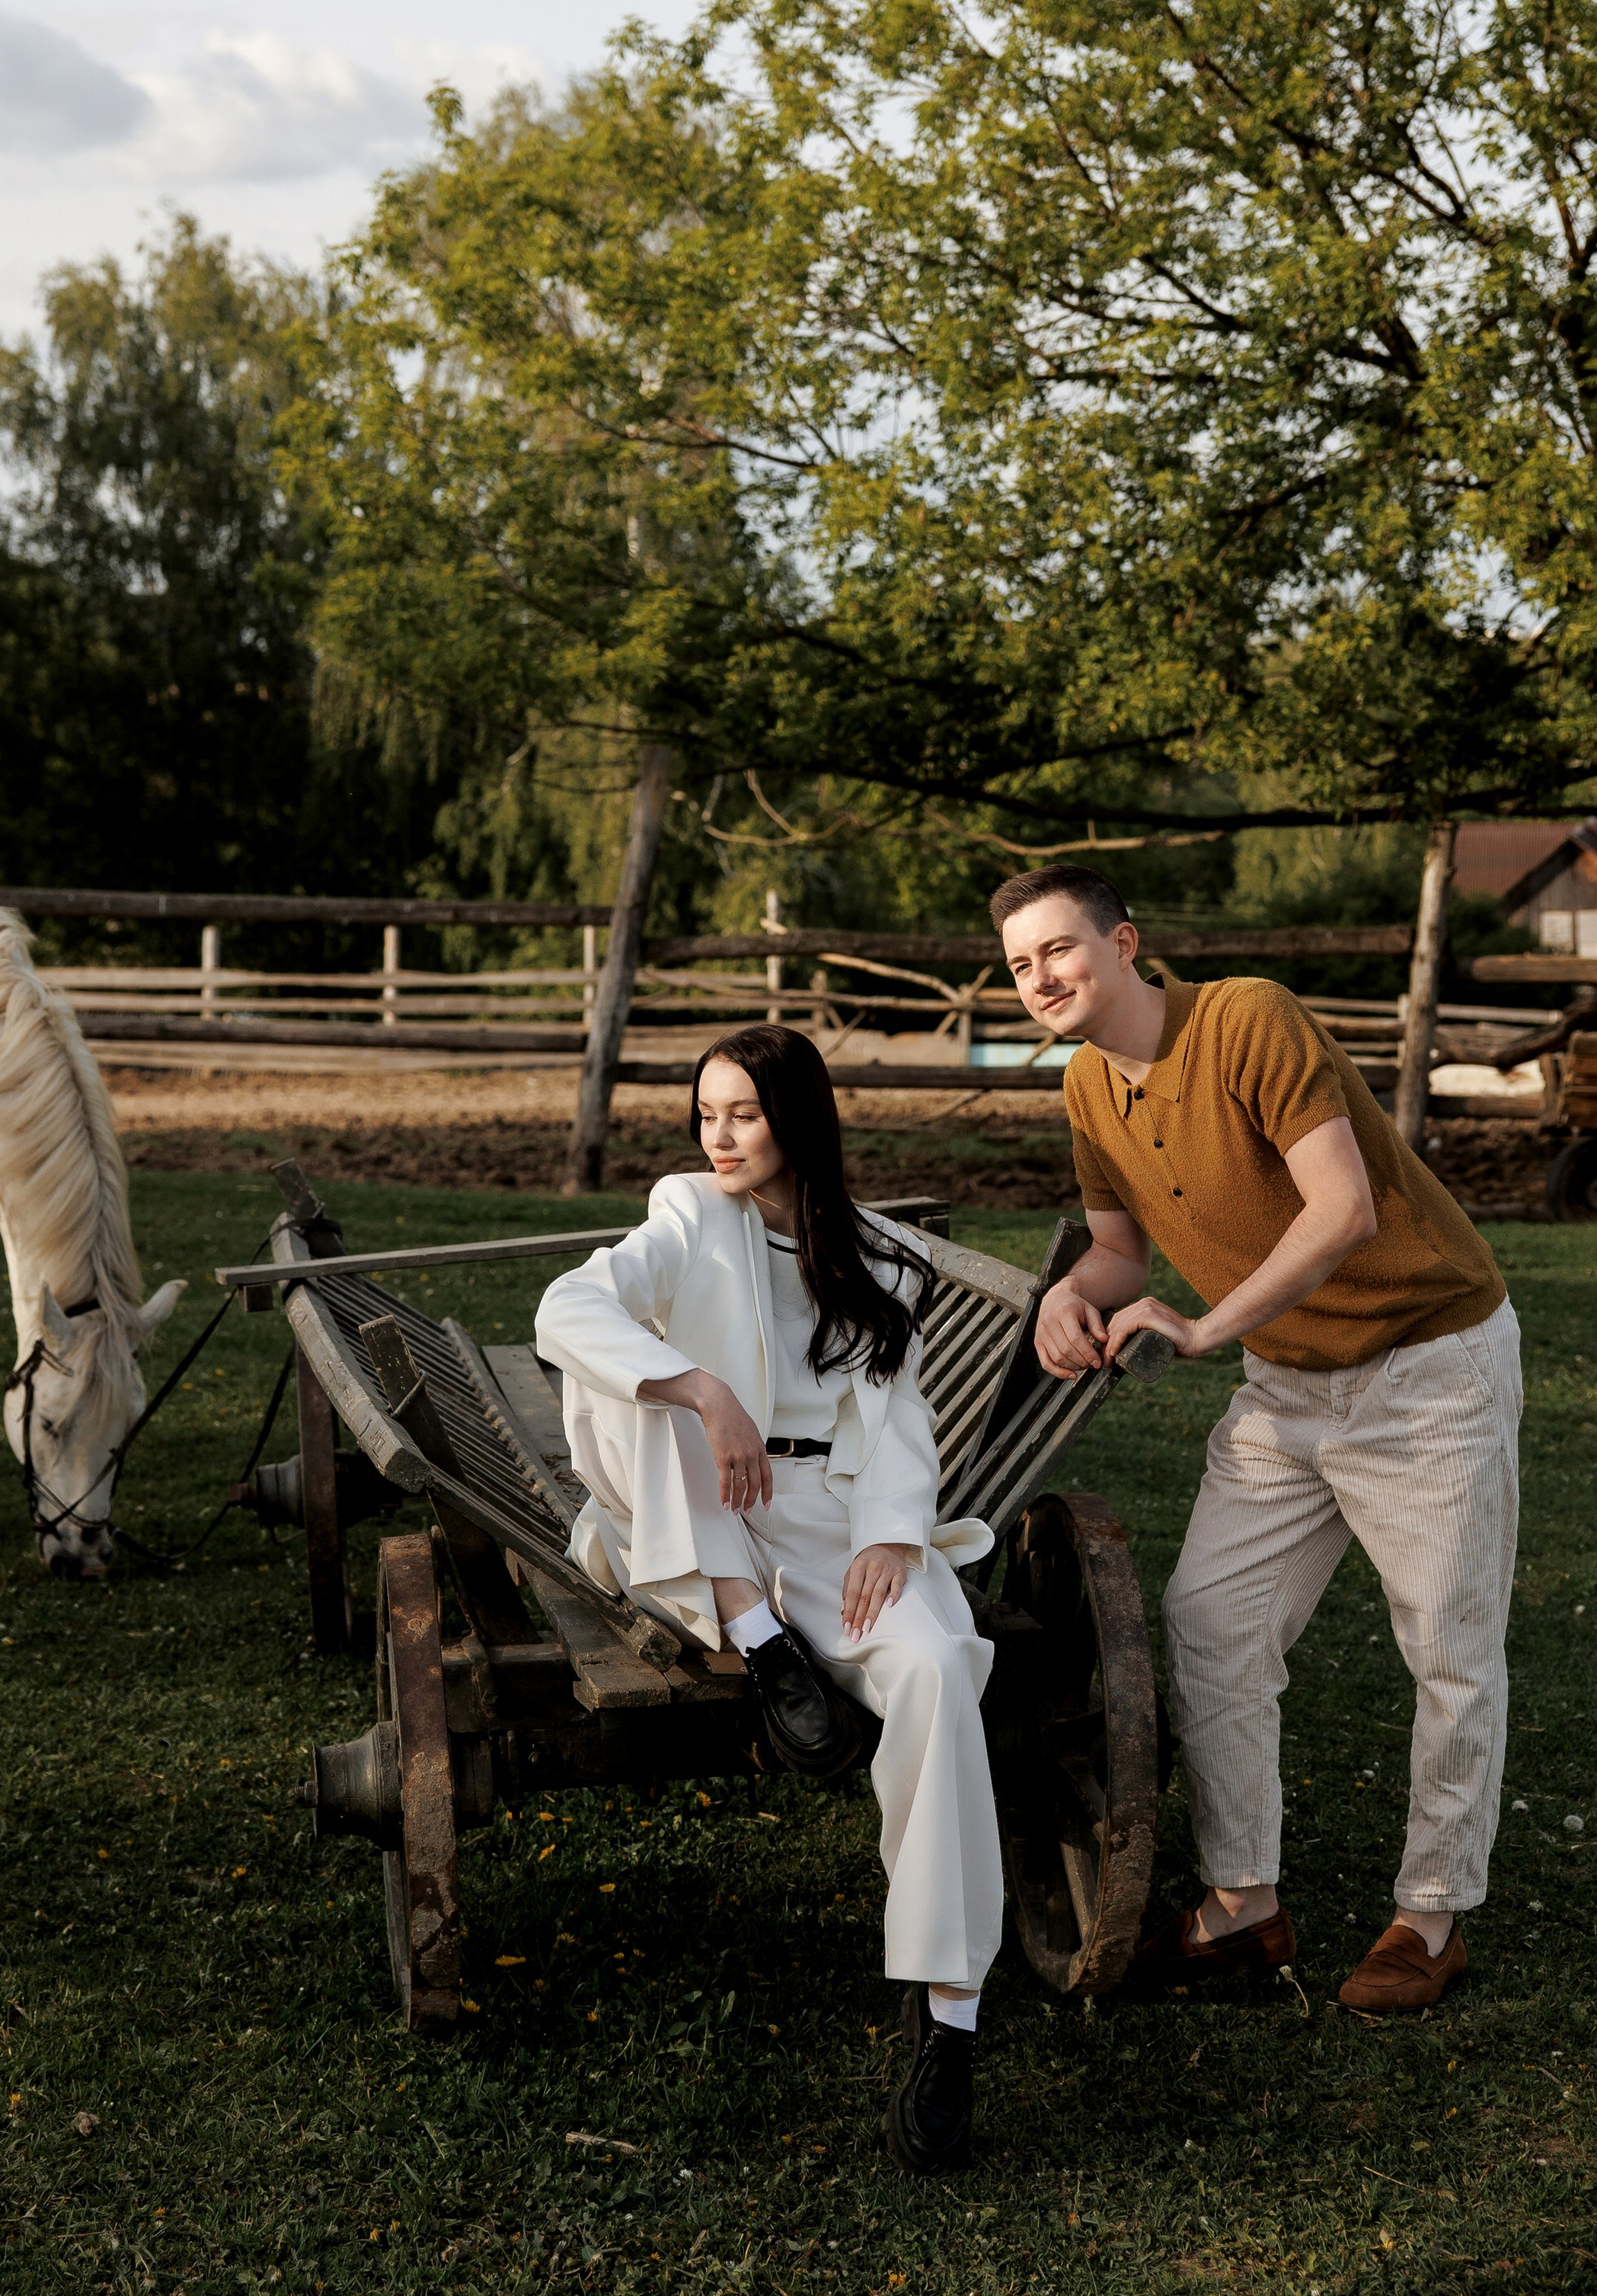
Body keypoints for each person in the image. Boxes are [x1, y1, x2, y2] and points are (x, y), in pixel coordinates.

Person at [995, 864, 1520, 2015]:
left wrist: (1204, 1325)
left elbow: (1344, 1210)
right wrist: (1065, 1294)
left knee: (1447, 1648)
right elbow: (1119, 1253)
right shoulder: (1089, 1087)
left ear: (1124, 943)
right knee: (1210, 1618)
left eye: (1060, 951)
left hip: (1426, 1362)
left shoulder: (1247, 1020)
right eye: (1020, 966)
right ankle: (1243, 1903)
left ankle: (1430, 1920)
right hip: (1289, 1387)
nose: (1040, 979)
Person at [535, 1025, 1003, 2176]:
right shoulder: (689, 1215)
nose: (718, 1133)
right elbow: (564, 1310)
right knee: (652, 1391)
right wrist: (703, 1387)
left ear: (798, 1118)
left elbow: (900, 1420)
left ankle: (949, 2017)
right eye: (706, 1111)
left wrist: (892, 1535)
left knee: (942, 1671)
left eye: (742, 1112)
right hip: (705, 1508)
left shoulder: (885, 1257)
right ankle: (762, 1645)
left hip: (833, 1520)